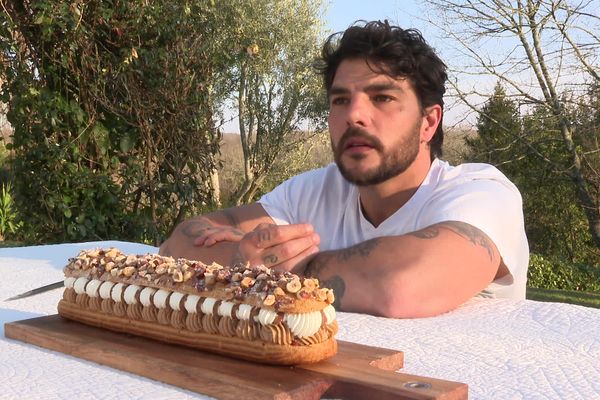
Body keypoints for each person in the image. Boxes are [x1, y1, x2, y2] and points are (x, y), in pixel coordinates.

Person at [159, 20, 529, 318]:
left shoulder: (482, 192)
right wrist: (244, 259)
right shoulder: (311, 192)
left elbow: (400, 286)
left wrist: (268, 271)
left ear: (428, 123)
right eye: (340, 99)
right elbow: (178, 244)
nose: (353, 115)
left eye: (382, 97)